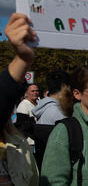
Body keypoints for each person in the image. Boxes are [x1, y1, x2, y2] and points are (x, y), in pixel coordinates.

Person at [0, 13, 38, 185]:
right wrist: (22, 60)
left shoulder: (19, 143)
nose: (36, 93)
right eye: (33, 90)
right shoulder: (23, 106)